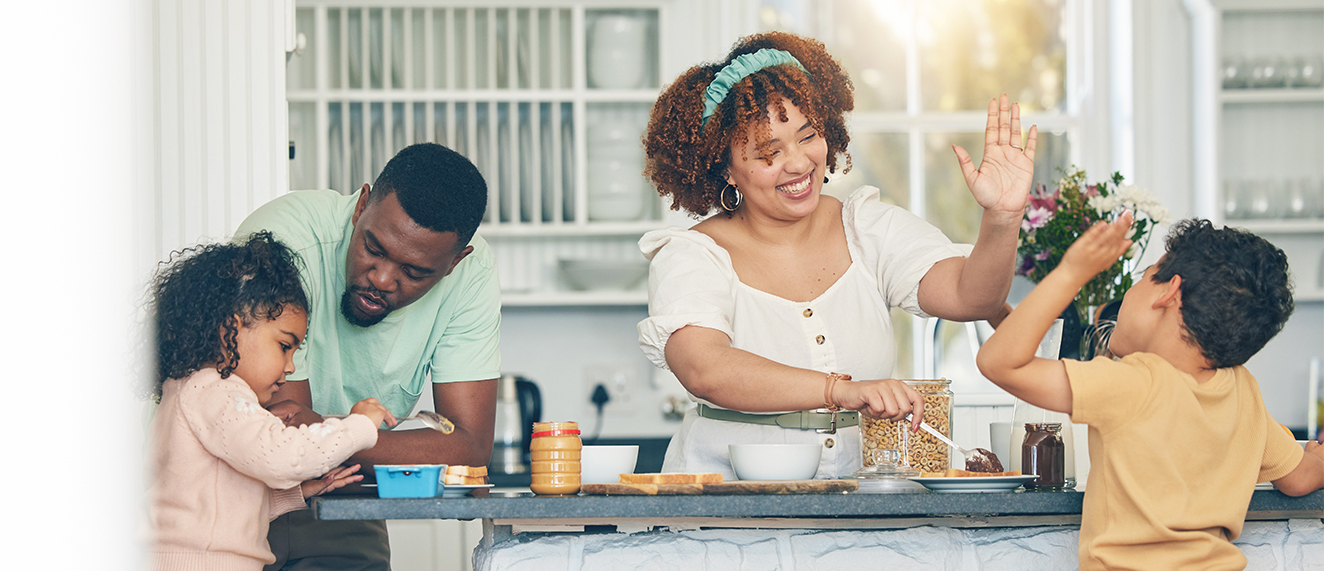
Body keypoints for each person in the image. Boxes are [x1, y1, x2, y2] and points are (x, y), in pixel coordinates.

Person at [637, 31, 1035, 479]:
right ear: (724, 167)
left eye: (808, 136)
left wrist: (1002, 217)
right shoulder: (691, 255)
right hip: (724, 511)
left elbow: (971, 297)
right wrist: (839, 391)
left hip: (853, 506)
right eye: (769, 153)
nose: (799, 163)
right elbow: (704, 368)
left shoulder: (867, 229)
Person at [976, 214, 1324, 569]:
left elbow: (999, 363)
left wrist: (1071, 274)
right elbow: (1301, 478)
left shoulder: (1132, 383)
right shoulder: (1243, 389)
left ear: (1168, 292)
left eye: (1141, 279)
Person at [233, 142, 501, 570]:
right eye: (373, 249)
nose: (381, 278)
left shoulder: (472, 275)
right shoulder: (285, 242)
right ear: (361, 206)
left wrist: (324, 429)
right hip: (226, 499)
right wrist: (370, 441)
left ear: (454, 263)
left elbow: (468, 449)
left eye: (414, 272)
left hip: (345, 494)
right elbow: (289, 445)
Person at [146, 231, 396, 571]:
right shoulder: (219, 390)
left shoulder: (190, 389)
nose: (290, 367)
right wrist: (359, 425)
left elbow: (222, 503)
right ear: (228, 331)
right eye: (284, 346)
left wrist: (300, 492)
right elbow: (280, 456)